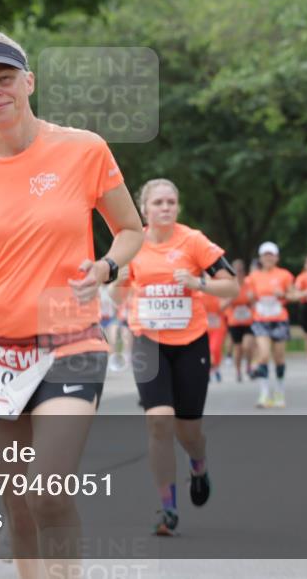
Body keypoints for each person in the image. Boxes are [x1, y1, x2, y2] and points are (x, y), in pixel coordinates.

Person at [0, 30, 143, 578]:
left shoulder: (84, 149)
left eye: (5, 79)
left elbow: (130, 230)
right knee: (16, 505)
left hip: (71, 341)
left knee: (46, 490)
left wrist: (107, 267)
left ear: (29, 82)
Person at [111, 179, 238, 536]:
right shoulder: (131, 243)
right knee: (159, 422)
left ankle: (198, 464)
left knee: (189, 430)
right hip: (148, 341)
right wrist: (119, 280)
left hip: (190, 342)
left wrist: (200, 285)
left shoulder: (193, 241)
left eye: (172, 202)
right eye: (158, 203)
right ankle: (167, 507)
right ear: (144, 209)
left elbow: (232, 285)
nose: (166, 208)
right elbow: (117, 299)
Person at [246, 242, 295, 409]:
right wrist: (251, 297)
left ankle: (279, 391)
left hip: (279, 318)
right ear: (260, 258)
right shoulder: (253, 277)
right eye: (265, 255)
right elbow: (249, 298)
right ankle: (264, 394)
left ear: (277, 257)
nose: (268, 258)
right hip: (261, 319)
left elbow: (294, 294)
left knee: (279, 357)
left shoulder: (284, 275)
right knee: (264, 355)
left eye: (271, 255)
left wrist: (284, 294)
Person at [222, 258, 255, 383]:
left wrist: (252, 300)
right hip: (235, 322)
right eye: (235, 271)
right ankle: (238, 371)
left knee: (247, 345)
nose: (238, 273)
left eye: (241, 271)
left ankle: (248, 366)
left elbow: (255, 303)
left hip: (248, 321)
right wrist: (231, 299)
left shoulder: (249, 284)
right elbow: (221, 306)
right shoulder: (228, 285)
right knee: (238, 348)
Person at [202, 291, 227, 383]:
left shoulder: (218, 293)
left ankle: (215, 368)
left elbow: (222, 307)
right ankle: (210, 370)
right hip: (204, 328)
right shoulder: (200, 293)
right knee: (207, 350)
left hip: (218, 327)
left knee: (215, 349)